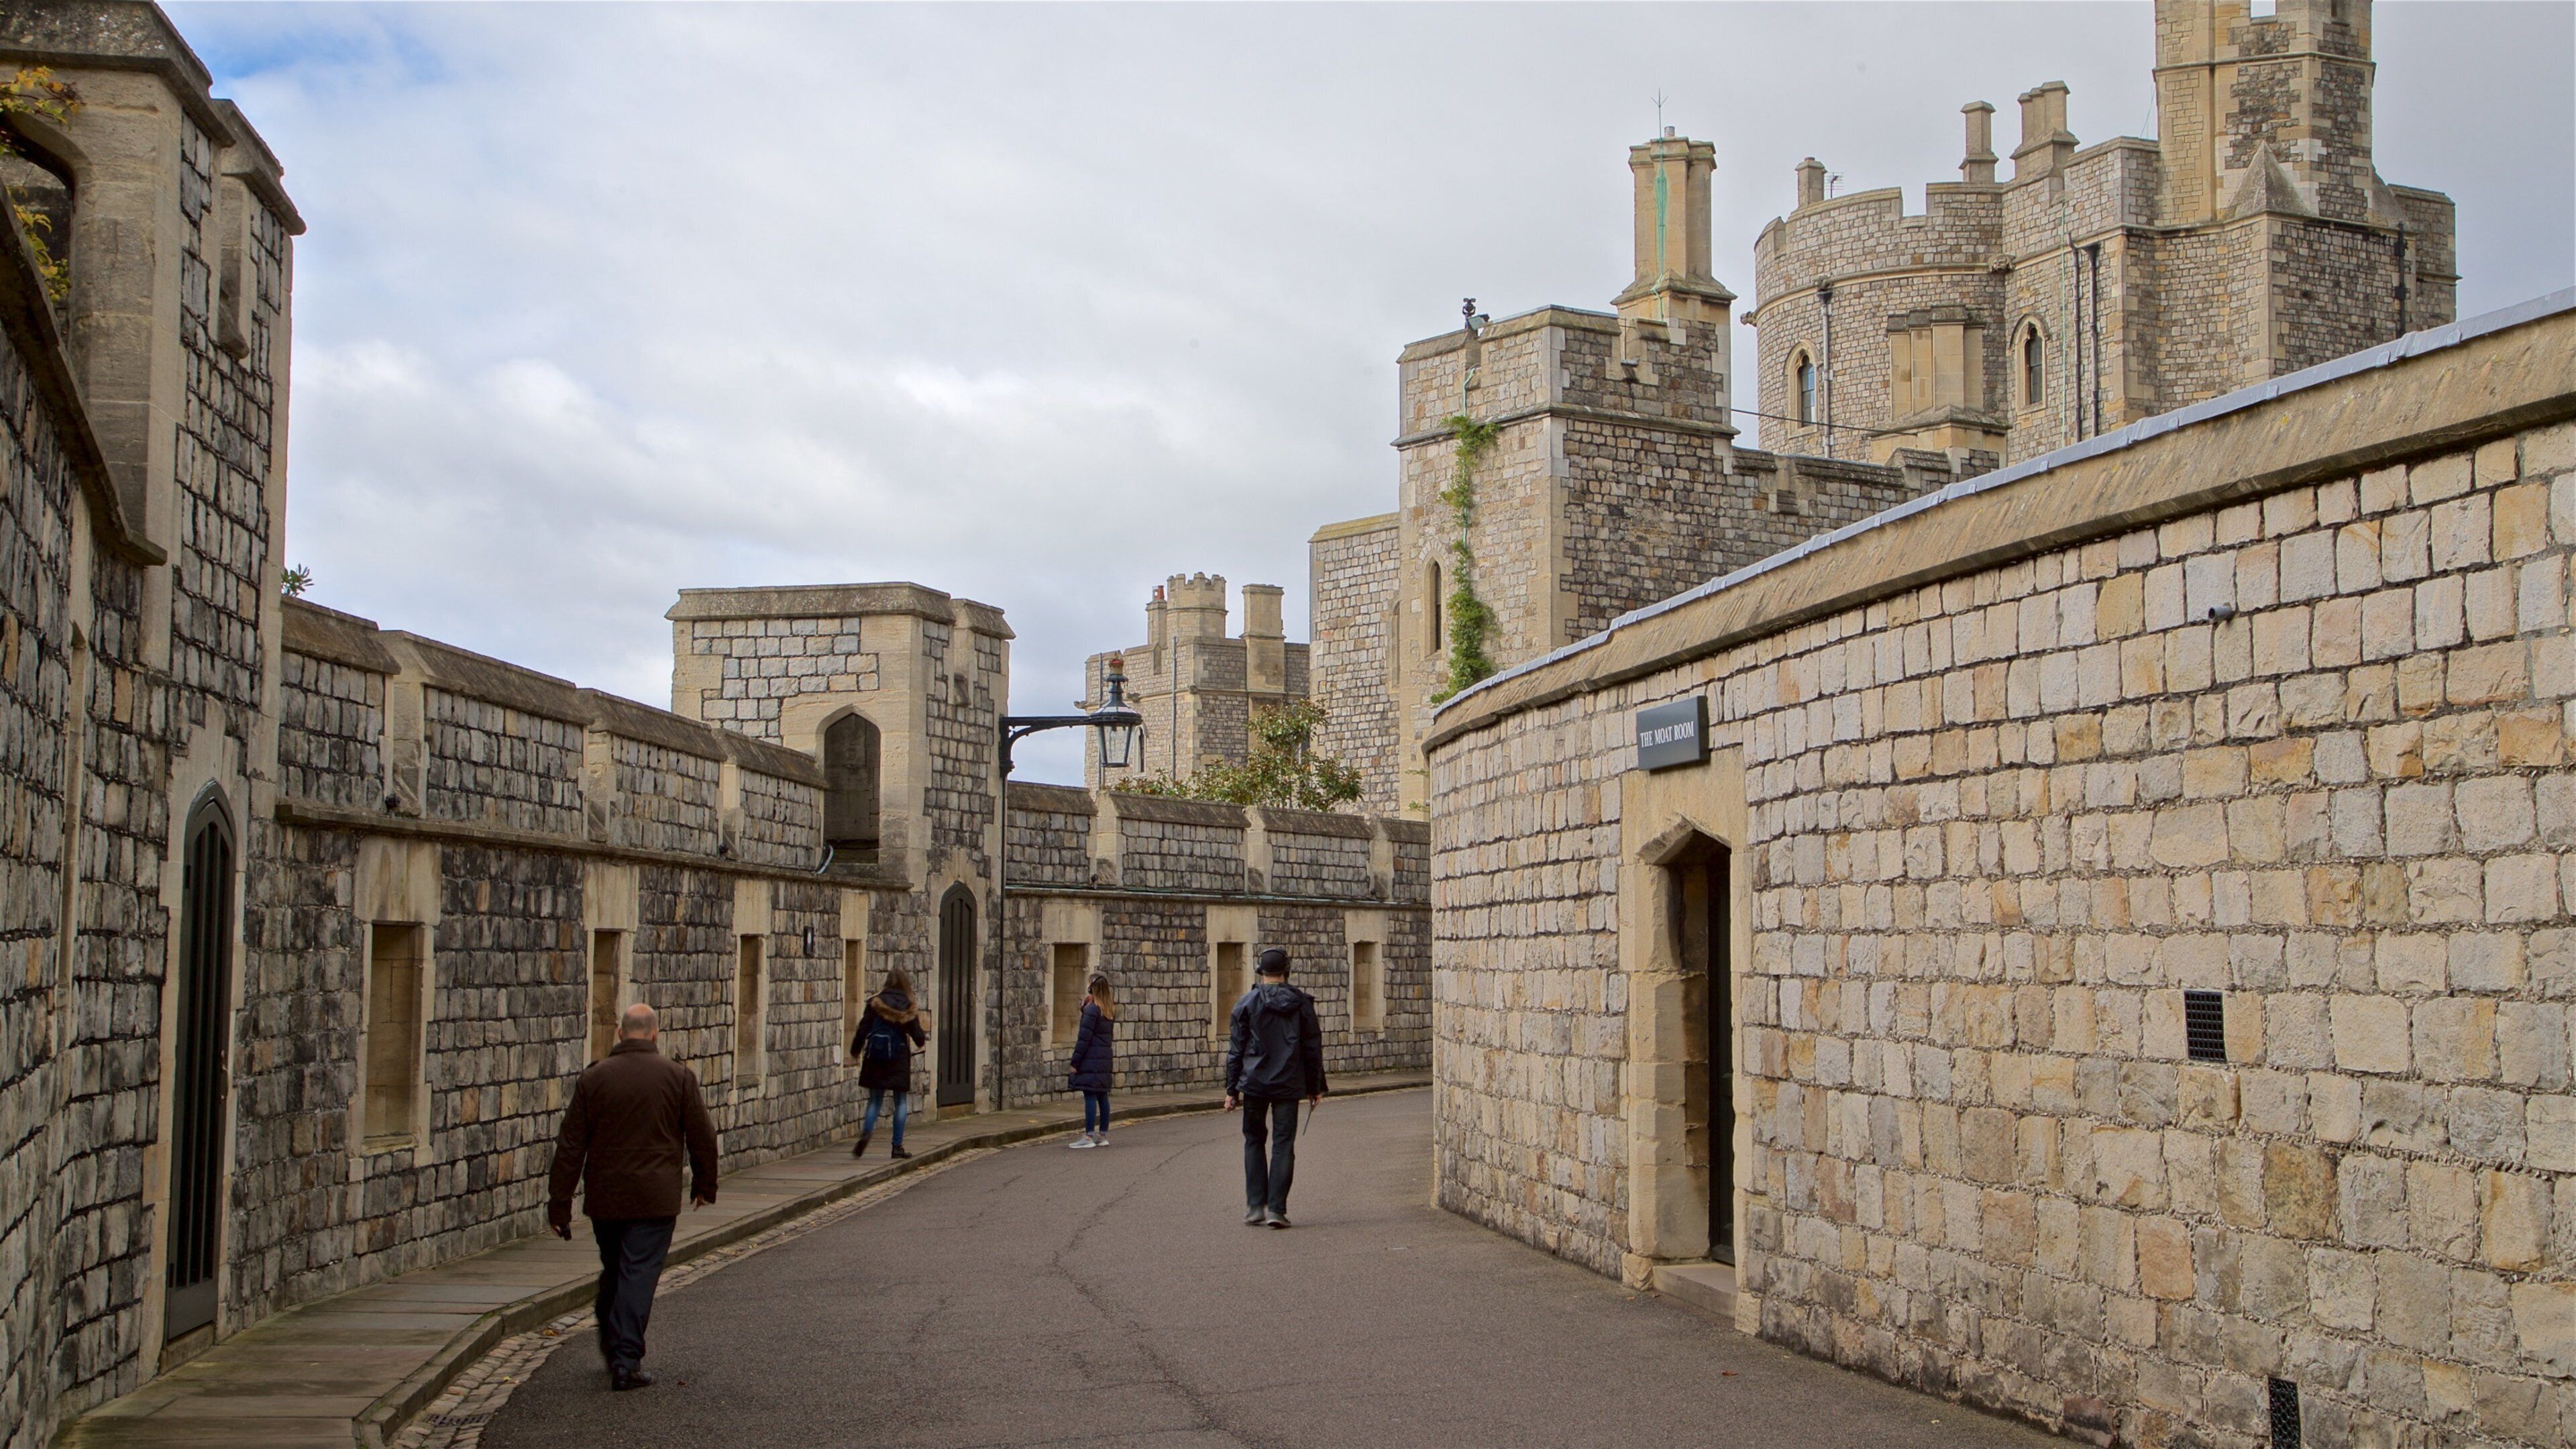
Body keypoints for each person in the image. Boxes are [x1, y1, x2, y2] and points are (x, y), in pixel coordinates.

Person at [547, 1002, 718, 1392]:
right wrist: (705, 1184)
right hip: (655, 1198)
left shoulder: (595, 1078)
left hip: (607, 1198)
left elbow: (571, 1145)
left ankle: (614, 1344)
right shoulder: (678, 1077)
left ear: (621, 1034)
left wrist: (560, 1202)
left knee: (617, 1268)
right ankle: (626, 1359)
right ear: (655, 1034)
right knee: (636, 1273)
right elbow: (702, 1135)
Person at [1224, 947, 1327, 1228]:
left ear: (1261, 971)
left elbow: (1236, 1051)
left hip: (1255, 1084)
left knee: (1254, 1141)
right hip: (1289, 1084)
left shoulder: (1246, 1003)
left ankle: (1256, 1206)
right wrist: (1315, 1087)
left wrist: (1232, 1090)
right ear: (1287, 971)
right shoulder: (1301, 1003)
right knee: (1283, 1145)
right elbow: (1312, 1047)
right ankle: (1277, 1211)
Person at [852, 967, 928, 1160]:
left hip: (875, 1057)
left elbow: (863, 1029)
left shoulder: (874, 1003)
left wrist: (855, 1051)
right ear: (904, 985)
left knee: (875, 1101)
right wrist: (920, 1041)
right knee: (900, 1102)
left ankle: (867, 1132)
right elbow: (918, 1036)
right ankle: (897, 1146)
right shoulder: (908, 1006)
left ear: (887, 982)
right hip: (898, 1058)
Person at [1067, 972, 1116, 1148]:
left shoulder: (1092, 1010)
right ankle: (1102, 1135)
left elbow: (1084, 1039)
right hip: (1104, 1058)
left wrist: (1075, 1061)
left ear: (1091, 988)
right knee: (1102, 1095)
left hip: (1091, 1058)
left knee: (1089, 1094)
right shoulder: (1108, 1009)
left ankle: (1088, 1136)